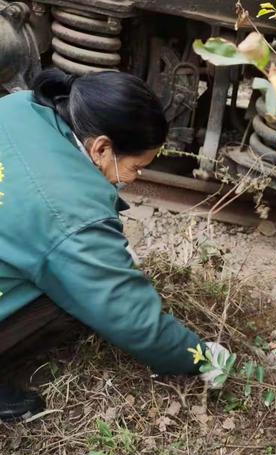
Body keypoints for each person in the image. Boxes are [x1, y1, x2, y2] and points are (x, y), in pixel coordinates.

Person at [0, 68, 228, 422]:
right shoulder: (68, 212)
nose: (136, 178)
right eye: (137, 167)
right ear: (101, 147)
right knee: (75, 297)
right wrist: (200, 355)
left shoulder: (19, 106)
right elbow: (128, 314)